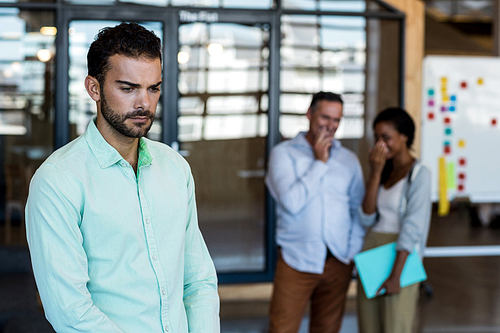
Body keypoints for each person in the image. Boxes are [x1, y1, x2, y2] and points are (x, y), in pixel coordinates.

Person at [25, 22, 219, 333]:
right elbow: (70, 310)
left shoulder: (175, 167)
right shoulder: (58, 181)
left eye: (153, 88)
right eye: (128, 88)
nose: (144, 103)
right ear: (94, 88)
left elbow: (198, 280)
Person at [265, 91, 366, 333]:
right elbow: (291, 202)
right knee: (282, 328)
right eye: (325, 117)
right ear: (310, 114)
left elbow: (357, 210)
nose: (330, 126)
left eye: (336, 120)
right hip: (296, 260)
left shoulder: (349, 160)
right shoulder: (283, 154)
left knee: (328, 329)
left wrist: (351, 251)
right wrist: (320, 162)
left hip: (338, 261)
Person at [357, 107, 432, 333]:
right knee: (369, 325)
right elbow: (366, 217)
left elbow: (413, 226)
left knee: (395, 326)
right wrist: (376, 173)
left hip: (401, 255)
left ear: (404, 137)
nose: (380, 144)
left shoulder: (420, 173)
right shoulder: (383, 171)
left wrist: (395, 276)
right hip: (373, 250)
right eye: (377, 137)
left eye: (386, 137)